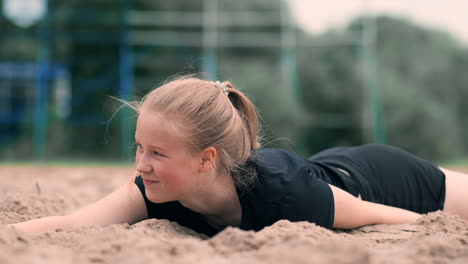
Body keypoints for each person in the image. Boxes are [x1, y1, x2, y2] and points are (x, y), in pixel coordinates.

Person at [9, 77, 468, 237]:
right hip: (328, 170)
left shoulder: (285, 193)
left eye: (157, 153)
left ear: (207, 160)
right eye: (139, 148)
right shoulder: (154, 189)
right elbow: (74, 224)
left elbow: (401, 218)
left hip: (392, 179)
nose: (141, 164)